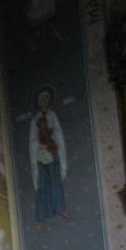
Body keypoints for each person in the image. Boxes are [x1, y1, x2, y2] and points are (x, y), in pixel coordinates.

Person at [29, 86, 70, 230]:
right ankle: (40, 218)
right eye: (42, 99)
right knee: (41, 186)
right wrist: (39, 146)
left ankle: (60, 208)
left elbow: (58, 132)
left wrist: (52, 142)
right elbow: (33, 140)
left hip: (52, 153)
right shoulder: (35, 120)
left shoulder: (52, 115)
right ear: (38, 102)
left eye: (46, 99)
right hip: (40, 156)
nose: (44, 102)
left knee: (55, 182)